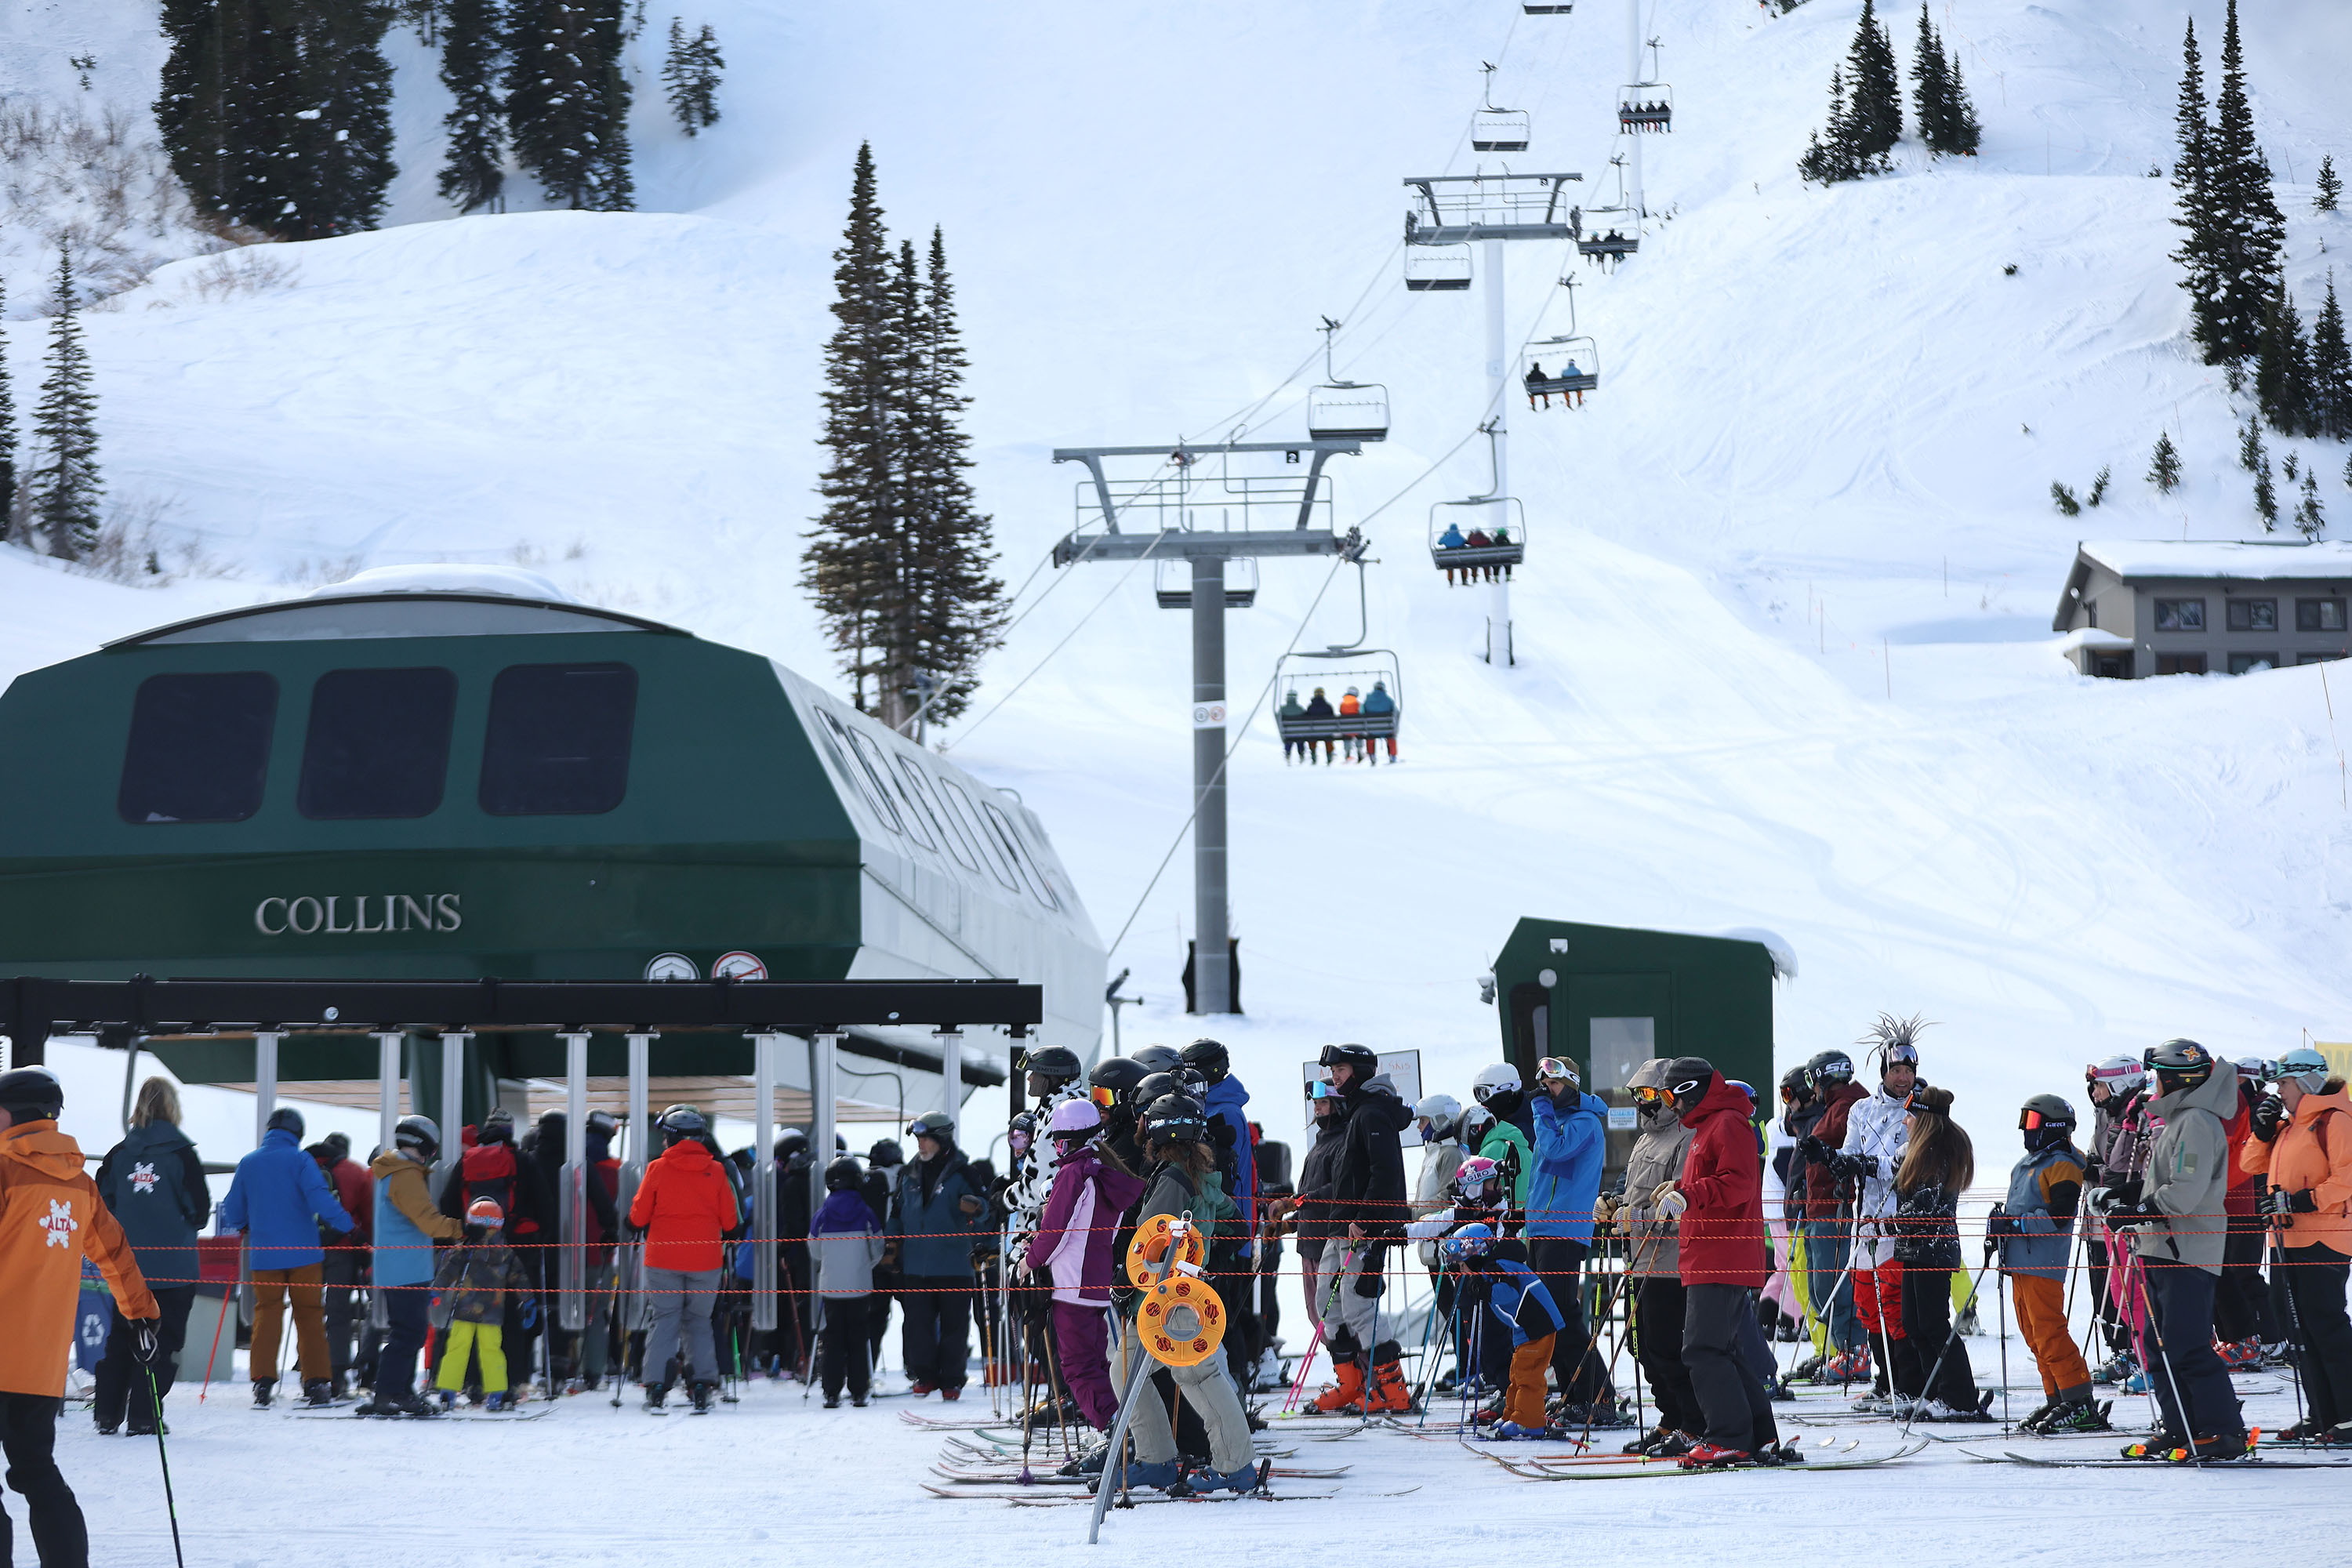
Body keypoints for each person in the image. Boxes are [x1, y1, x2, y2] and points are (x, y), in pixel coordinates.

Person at [0, 1065, 161, 1568]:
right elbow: (113, 1251)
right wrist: (141, 1313)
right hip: (39, 1365)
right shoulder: (79, 1182)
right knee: (37, 1472)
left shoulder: (5, 1169)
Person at [2092, 1040, 2249, 1462]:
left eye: (2159, 1075)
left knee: (2187, 1345)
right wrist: (2123, 1196)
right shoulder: (2179, 1120)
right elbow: (2159, 1182)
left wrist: (2138, 1209)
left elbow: (2186, 1191)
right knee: (2158, 1343)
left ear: (2177, 1078)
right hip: (2161, 1246)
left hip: (2187, 1249)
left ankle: (2222, 1429)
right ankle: (2181, 1424)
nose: (2154, 1084)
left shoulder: (2197, 1121)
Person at [1109, 1094, 1263, 1494]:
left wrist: (1126, 1280)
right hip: (1176, 1295)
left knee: (1197, 1374)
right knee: (1125, 1370)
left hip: (1173, 1299)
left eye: (1148, 1121)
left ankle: (1236, 1465)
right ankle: (1156, 1457)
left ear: (1160, 1130)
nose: (1141, 1127)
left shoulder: (1172, 1180)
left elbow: (1150, 1239)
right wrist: (1211, 1245)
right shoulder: (1198, 1174)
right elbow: (1235, 1222)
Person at [1652, 1057, 1790, 1468]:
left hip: (1720, 1255)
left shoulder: (1728, 1122)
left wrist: (1689, 1196)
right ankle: (1760, 1435)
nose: (1668, 1106)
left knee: (1702, 1349)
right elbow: (1715, 1177)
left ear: (1689, 1092)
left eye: (1669, 1097)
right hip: (1711, 1254)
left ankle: (1729, 1437)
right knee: (1726, 1351)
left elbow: (1739, 1182)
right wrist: (1678, 1188)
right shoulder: (1710, 1126)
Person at [2242, 1046, 2352, 1443]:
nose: (2280, 1091)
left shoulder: (2335, 1121)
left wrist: (2301, 1200)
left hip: (2324, 1236)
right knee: (2296, 1326)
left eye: (2285, 1083)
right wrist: (2262, 1131)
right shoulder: (2291, 1125)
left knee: (2325, 1322)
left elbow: (2346, 1178)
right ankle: (2323, 1413)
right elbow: (2249, 1165)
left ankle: (2347, 1413)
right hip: (2286, 1237)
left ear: (2307, 1081)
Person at [218, 1105, 356, 1407]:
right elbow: (320, 1198)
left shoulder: (249, 1163)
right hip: (304, 1254)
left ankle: (263, 1383)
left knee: (266, 1314)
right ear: (298, 1134)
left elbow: (232, 1208)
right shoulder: (301, 1160)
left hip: (265, 1255)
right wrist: (349, 1226)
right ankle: (317, 1383)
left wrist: (245, 1224)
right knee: (309, 1315)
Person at [93, 1076, 208, 1436]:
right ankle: (144, 1415)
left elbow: (101, 1202)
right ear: (173, 1107)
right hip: (174, 1267)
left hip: (126, 1265)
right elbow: (200, 1210)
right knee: (164, 1339)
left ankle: (107, 1414)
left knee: (120, 1338)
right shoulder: (182, 1155)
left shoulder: (118, 1154)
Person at [1308, 1044, 1414, 1414]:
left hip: (1362, 1230)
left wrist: (1366, 1219)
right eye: (1334, 1070)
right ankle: (1351, 1384)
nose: (1336, 1076)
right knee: (1328, 1305)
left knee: (1359, 1308)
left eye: (1342, 1069)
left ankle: (1394, 1389)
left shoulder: (1372, 1113)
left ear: (1362, 1071)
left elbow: (1384, 1173)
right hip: (1340, 1226)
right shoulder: (1357, 1112)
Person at [1028, 1098, 1145, 1428]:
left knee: (1078, 1366)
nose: (1055, 1146)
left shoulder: (1074, 1174)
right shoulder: (1105, 1172)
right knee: (1096, 1362)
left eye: (1059, 1139)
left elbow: (1055, 1232)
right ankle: (1120, 1427)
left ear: (1070, 1140)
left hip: (1071, 1285)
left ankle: (1113, 1430)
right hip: (1095, 1282)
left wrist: (1029, 1261)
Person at [1990, 1094, 2100, 1433]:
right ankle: (2057, 1397)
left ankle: (2079, 1400)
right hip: (2020, 1261)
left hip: (2042, 1262)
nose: (2026, 1129)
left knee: (2049, 1331)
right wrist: (2001, 1224)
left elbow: (2060, 1216)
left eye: (2033, 1122)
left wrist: (2016, 1224)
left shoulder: (2062, 1164)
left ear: (2052, 1127)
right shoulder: (2028, 1164)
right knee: (2032, 1333)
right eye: (2025, 1120)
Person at [1610, 1058, 1701, 1455]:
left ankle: (1692, 1422)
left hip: (1669, 1265)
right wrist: (1612, 1203)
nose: (1644, 1104)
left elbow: (1679, 1209)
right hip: (1640, 1260)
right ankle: (1670, 1418)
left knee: (1668, 1348)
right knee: (1644, 1348)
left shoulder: (1685, 1136)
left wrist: (1634, 1219)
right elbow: (1636, 1193)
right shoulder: (1646, 1138)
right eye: (1638, 1096)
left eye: (1649, 1095)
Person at [629, 1104, 738, 1411]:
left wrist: (633, 1223)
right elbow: (730, 1222)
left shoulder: (657, 1169)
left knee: (664, 1320)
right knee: (699, 1322)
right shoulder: (716, 1170)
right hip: (705, 1261)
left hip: (663, 1258)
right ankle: (701, 1383)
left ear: (673, 1138)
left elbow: (638, 1215)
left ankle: (657, 1386)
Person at [1526, 1055, 1617, 1417]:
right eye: (1545, 1085)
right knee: (1551, 1317)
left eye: (1555, 1084)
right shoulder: (1556, 1120)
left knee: (1563, 1313)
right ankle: (1573, 1393)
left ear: (1573, 1084)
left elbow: (1556, 1151)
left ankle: (1599, 1396)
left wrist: (1540, 1112)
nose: (1548, 1091)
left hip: (1563, 1230)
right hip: (1542, 1229)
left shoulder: (1583, 1123)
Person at [1889, 1085, 1985, 1419]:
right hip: (1916, 1247)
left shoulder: (1937, 1151)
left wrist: (1893, 1223)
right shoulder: (1920, 1151)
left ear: (1924, 1119)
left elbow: (1927, 1202)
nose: (1905, 1122)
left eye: (1910, 1115)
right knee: (1914, 1323)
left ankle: (1959, 1397)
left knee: (1933, 1323)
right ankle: (1934, 1391)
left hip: (1934, 1247)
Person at [361, 1115, 465, 1417]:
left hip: (401, 1264)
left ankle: (399, 1390)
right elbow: (427, 1220)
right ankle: (389, 1392)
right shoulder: (405, 1174)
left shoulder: (393, 1170)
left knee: (410, 1332)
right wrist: (462, 1229)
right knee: (409, 1332)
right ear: (425, 1144)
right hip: (405, 1266)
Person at [887, 1110, 988, 1399]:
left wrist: (977, 1207)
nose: (920, 1145)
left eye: (925, 1139)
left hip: (954, 1265)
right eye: (918, 1139)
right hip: (916, 1265)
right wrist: (890, 1248)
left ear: (941, 1140)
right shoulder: (909, 1173)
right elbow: (897, 1213)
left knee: (954, 1327)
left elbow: (985, 1210)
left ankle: (952, 1380)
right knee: (917, 1326)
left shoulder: (964, 1172)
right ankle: (925, 1376)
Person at [1440, 1222, 1565, 1438]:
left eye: (1463, 1265)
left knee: (1529, 1375)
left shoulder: (1499, 1266)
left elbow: (1509, 1292)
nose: (1462, 1271)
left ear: (1475, 1254)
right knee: (1516, 1374)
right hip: (1524, 1329)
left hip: (1538, 1326)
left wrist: (1485, 1290)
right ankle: (1512, 1414)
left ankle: (1529, 1421)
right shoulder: (1491, 1267)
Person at [1181, 1039, 1260, 1381]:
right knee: (1223, 1317)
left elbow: (1225, 1178)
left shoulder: (1223, 1112)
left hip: (1229, 1231)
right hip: (1226, 1228)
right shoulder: (1215, 1107)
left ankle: (1236, 1393)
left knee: (1223, 1320)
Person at [1795, 1048, 1868, 1379]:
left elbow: (1847, 1152)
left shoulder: (1850, 1106)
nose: (1812, 1090)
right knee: (1821, 1289)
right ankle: (1844, 1349)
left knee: (1834, 1285)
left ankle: (1856, 1352)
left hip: (1836, 1208)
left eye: (1813, 1081)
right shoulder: (1836, 1107)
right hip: (1819, 1206)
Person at [430, 1197, 532, 1410]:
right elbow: (519, 1277)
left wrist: (436, 1290)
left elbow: (449, 1271)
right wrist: (528, 1300)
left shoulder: (466, 1249)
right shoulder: (505, 1252)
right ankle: (495, 1393)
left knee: (457, 1348)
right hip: (492, 1313)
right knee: (491, 1350)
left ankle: (448, 1391)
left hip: (465, 1309)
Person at [2082, 1055, 2150, 1383]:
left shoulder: (2138, 1114)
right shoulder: (2112, 1114)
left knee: (2136, 1288)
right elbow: (2108, 1159)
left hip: (2134, 1213)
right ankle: (2129, 1351)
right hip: (2109, 1211)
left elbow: (2129, 1164)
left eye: (2100, 1086)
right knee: (2117, 1288)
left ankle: (2144, 1355)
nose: (2095, 1093)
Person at [809, 1155, 886, 1408]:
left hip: (831, 1287)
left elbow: (814, 1250)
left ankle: (831, 1390)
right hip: (860, 1286)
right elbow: (878, 1247)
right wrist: (865, 1266)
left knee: (832, 1339)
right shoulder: (866, 1212)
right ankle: (859, 1390)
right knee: (858, 1336)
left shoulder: (822, 1214)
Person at [305, 1132, 372, 1398]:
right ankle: (337, 1376)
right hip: (343, 1251)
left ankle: (311, 1375)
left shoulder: (306, 1168)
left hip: (307, 1249)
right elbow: (366, 1214)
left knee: (308, 1312)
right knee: (339, 1314)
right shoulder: (356, 1172)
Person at [862, 1138, 903, 1369]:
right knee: (914, 1315)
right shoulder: (905, 1174)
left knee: (874, 1317)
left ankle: (868, 1367)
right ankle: (915, 1370)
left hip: (873, 1256)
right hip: (901, 1252)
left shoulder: (867, 1178)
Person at [1470, 1065, 1534, 1207]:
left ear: (1506, 1089)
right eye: (1478, 1095)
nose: (1482, 1102)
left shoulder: (1535, 1121)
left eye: (1484, 1093)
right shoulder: (1501, 1129)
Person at [1360, 680, 1397, 763]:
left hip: (1372, 729)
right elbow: (1394, 711)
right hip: (1387, 729)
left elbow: (1363, 711)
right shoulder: (1389, 700)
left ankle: (1372, 755)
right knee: (1391, 737)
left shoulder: (1368, 700)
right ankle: (1393, 755)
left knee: (1370, 738)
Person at [1304, 688, 1336, 764]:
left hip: (1314, 732)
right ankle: (1329, 755)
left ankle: (1313, 754)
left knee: (1312, 735)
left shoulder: (1310, 707)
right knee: (1328, 736)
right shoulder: (1328, 707)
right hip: (1327, 732)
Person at [1279, 688, 1306, 761]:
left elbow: (1279, 720)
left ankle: (1287, 753)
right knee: (1299, 736)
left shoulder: (1283, 709)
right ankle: (1301, 753)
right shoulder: (1300, 709)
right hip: (1299, 734)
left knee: (1289, 736)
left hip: (1288, 733)